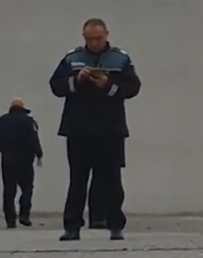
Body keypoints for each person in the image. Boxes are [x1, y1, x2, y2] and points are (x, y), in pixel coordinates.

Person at [49, 18, 141, 241]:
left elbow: (133, 87)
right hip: (78, 128)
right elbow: (56, 86)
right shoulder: (73, 58)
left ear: (106, 35)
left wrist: (108, 86)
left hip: (110, 128)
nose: (94, 43)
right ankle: (72, 226)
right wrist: (77, 81)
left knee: (111, 179)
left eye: (98, 38)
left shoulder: (120, 59)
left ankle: (115, 224)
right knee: (78, 180)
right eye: (89, 39)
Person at [0, 98, 43, 228]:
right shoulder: (29, 122)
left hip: (8, 160)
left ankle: (10, 219)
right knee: (27, 188)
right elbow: (34, 139)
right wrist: (39, 153)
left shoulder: (2, 121)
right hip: (25, 161)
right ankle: (24, 215)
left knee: (9, 189)